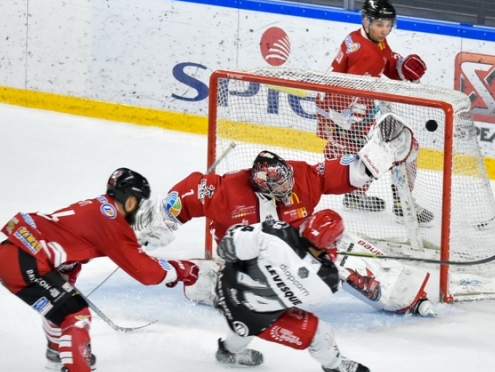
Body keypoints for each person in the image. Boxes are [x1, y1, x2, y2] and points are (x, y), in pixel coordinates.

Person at [140, 114, 436, 317]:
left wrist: (380, 152)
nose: (286, 188)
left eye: (287, 182)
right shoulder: (224, 191)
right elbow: (179, 200)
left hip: (296, 250)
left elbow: (350, 171)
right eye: (278, 186)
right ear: (259, 184)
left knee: (336, 237)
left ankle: (402, 296)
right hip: (245, 259)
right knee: (217, 286)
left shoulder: (302, 175)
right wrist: (151, 228)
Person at [0, 168, 200, 372]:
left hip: (14, 254)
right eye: (140, 203)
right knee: (75, 314)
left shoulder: (98, 208)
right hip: (24, 261)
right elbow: (147, 273)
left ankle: (57, 350)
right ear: (132, 200)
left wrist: (134, 244)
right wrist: (182, 270)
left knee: (64, 299)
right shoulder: (111, 221)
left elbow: (72, 260)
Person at [213, 209, 370, 372]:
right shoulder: (326, 279)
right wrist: (327, 258)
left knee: (240, 325)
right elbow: (315, 297)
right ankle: (336, 365)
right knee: (320, 333)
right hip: (256, 318)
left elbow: (233, 241)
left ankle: (228, 351)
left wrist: (235, 241)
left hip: (226, 288)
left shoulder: (279, 233)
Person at [315, 0, 433, 224]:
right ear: (366, 21)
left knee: (367, 156)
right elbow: (346, 92)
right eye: (380, 24)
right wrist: (348, 127)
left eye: (389, 25)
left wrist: (401, 66)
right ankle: (403, 204)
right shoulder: (366, 53)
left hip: (348, 113)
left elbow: (385, 61)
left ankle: (356, 196)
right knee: (404, 148)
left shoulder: (362, 38)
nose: (385, 30)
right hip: (348, 116)